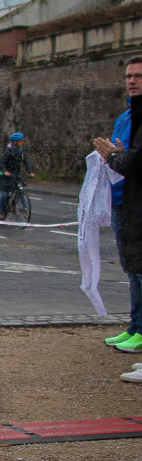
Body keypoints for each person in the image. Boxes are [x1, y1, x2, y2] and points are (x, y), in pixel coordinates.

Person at [95, 57, 142, 359]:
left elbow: (135, 162)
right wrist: (113, 157)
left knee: (140, 269)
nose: (132, 81)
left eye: (138, 76)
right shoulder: (126, 116)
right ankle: (135, 325)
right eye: (128, 76)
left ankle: (140, 331)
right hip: (121, 199)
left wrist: (115, 157)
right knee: (131, 268)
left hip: (136, 202)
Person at [0, 132, 34, 219]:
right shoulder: (8, 151)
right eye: (21, 141)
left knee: (21, 191)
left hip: (17, 175)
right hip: (7, 176)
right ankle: (1, 211)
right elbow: (2, 162)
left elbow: (26, 161)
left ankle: (26, 210)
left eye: (23, 141)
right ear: (15, 142)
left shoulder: (21, 151)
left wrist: (29, 171)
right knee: (5, 194)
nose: (23, 143)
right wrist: (5, 171)